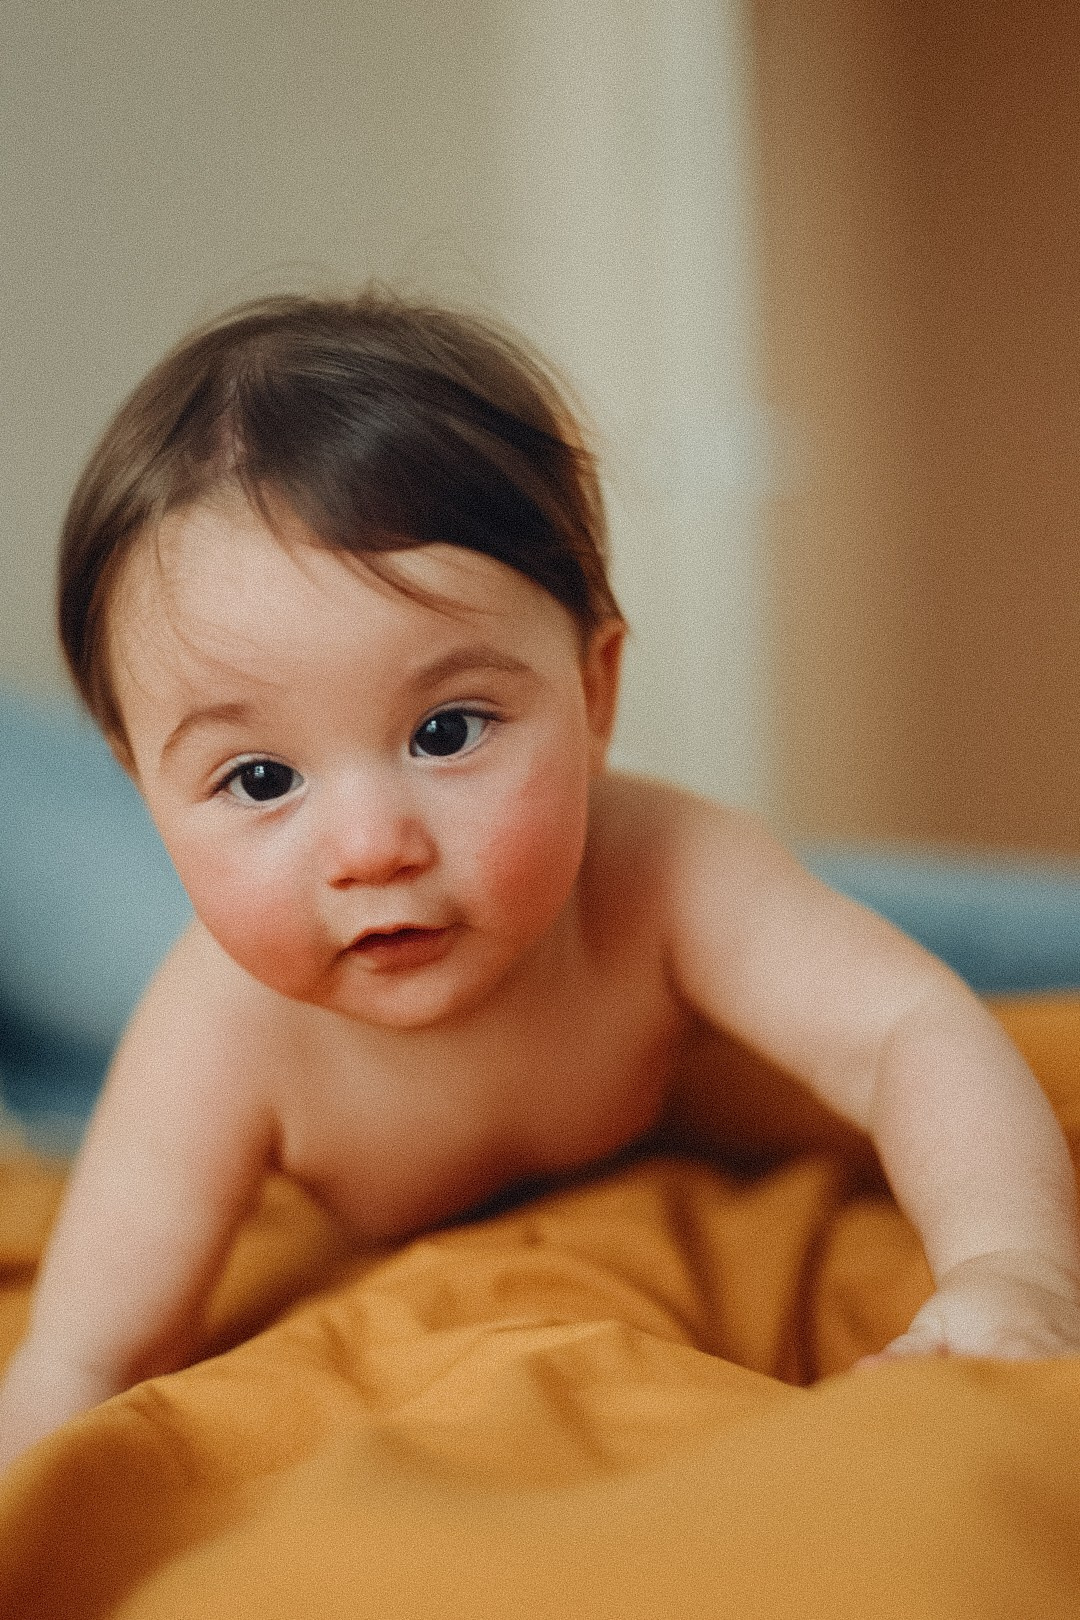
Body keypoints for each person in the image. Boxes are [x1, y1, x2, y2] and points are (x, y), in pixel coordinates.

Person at [2, 292, 1079, 1469]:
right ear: (144, 792)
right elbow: (84, 1362)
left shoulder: (663, 870)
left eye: (449, 730)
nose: (372, 847)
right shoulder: (218, 1032)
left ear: (595, 690)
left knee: (952, 937)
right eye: (259, 778)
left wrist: (1009, 1264)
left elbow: (907, 1028)